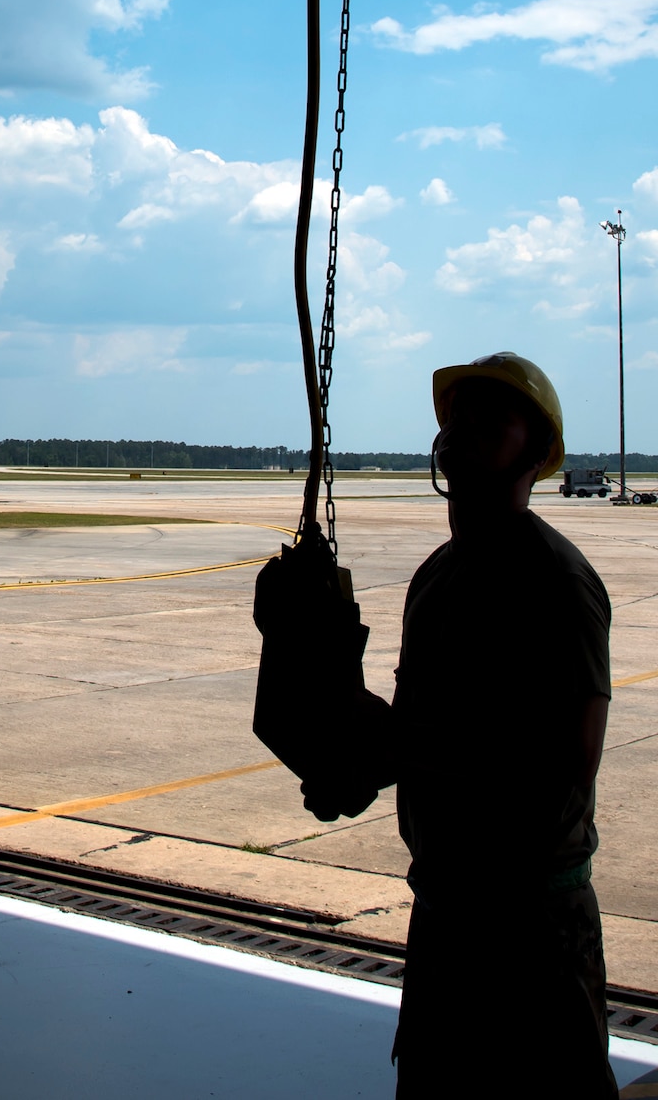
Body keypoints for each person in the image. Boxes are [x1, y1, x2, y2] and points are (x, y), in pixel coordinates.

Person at [252, 352, 616, 1097]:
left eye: (493, 417)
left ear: (536, 448)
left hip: (530, 927)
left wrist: (387, 737)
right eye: (457, 417)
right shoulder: (437, 577)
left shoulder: (556, 581)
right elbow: (418, 734)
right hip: (446, 911)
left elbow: (566, 760)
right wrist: (346, 758)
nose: (464, 429)